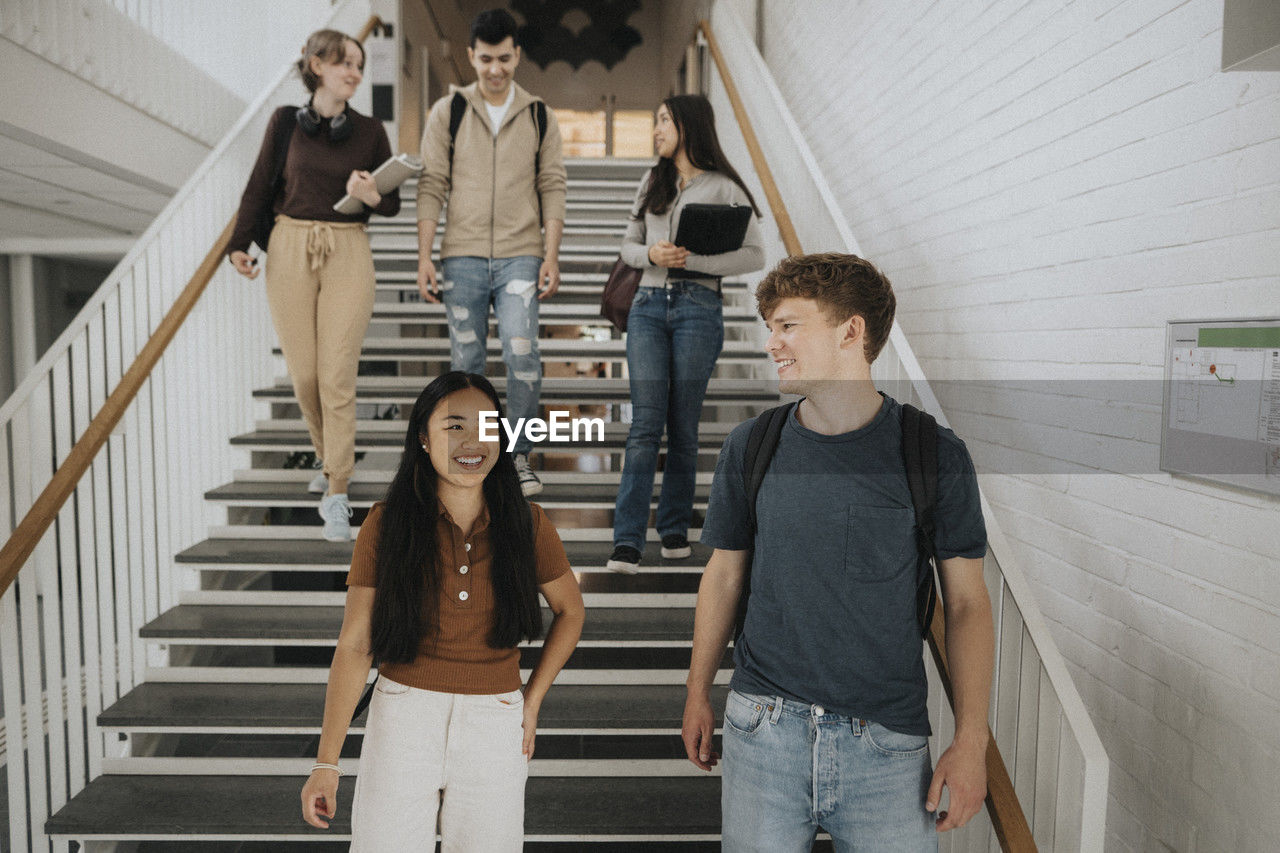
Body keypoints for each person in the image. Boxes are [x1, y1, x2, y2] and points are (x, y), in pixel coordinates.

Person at [681, 254, 994, 851]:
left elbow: (968, 605)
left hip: (886, 748)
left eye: (789, 326)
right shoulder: (753, 446)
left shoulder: (933, 455)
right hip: (762, 730)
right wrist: (698, 691)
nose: (771, 342)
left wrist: (971, 739)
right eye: (770, 326)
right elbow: (723, 578)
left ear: (851, 331)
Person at [299, 371, 585, 851]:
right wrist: (326, 763)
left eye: (487, 426)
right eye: (454, 426)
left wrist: (531, 701)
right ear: (423, 440)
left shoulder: (529, 524)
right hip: (402, 718)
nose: (473, 441)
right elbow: (355, 644)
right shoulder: (385, 524)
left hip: (497, 723)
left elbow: (570, 611)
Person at [228, 29, 400, 541]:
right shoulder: (285, 123)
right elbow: (260, 185)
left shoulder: (370, 131)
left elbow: (390, 204)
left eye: (359, 65)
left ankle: (338, 492)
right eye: (344, 62)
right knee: (304, 376)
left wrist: (370, 194)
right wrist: (240, 244)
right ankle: (328, 456)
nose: (354, 71)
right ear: (317, 65)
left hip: (348, 248)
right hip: (288, 248)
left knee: (336, 374)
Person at [605, 94, 765, 574]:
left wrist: (692, 261)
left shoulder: (724, 187)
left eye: (663, 121)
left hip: (699, 307)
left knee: (684, 425)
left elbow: (754, 256)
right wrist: (651, 256)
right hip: (648, 308)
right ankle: (627, 542)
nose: (656, 129)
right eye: (655, 120)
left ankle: (674, 529)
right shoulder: (652, 180)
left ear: (688, 126)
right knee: (645, 425)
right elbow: (628, 244)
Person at [415, 8, 567, 497]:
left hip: (522, 253)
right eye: (486, 59)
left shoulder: (539, 113)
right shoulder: (450, 110)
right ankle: (473, 456)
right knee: (468, 364)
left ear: (517, 54)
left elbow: (552, 184)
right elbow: (432, 184)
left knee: (523, 354)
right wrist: (424, 256)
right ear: (471, 57)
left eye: (504, 58)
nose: (496, 68)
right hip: (461, 254)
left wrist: (551, 254)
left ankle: (517, 456)